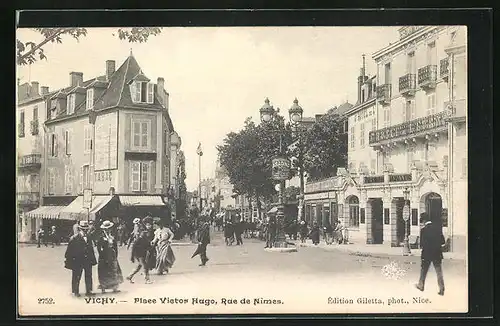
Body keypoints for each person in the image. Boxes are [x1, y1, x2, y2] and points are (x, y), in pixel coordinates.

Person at [415, 212, 446, 296]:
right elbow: (443, 242)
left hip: (427, 254)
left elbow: (421, 244)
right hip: (437, 253)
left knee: (423, 270)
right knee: (439, 271)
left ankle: (421, 285)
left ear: (424, 220)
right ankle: (441, 288)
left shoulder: (423, 230)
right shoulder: (437, 229)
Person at [64, 220, 97, 297]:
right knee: (76, 276)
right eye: (83, 229)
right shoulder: (74, 238)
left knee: (88, 276)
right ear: (80, 229)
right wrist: (70, 261)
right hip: (78, 260)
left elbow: (91, 249)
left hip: (87, 260)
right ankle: (75, 291)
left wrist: (93, 260)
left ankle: (89, 291)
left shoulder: (89, 237)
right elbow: (69, 251)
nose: (85, 231)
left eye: (86, 229)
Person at [96, 220, 123, 293]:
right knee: (104, 271)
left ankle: (114, 287)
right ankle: (103, 288)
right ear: (103, 229)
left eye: (109, 228)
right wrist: (102, 255)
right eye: (106, 229)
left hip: (112, 255)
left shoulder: (112, 236)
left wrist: (115, 255)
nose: (108, 230)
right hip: (104, 257)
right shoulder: (101, 237)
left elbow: (115, 246)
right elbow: (99, 248)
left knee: (114, 271)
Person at [127, 216, 155, 284]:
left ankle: (130, 276)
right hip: (139, 253)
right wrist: (132, 256)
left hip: (142, 252)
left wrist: (151, 247)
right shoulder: (140, 236)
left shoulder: (146, 234)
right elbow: (134, 245)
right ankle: (147, 280)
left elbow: (147, 244)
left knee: (139, 266)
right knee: (145, 266)